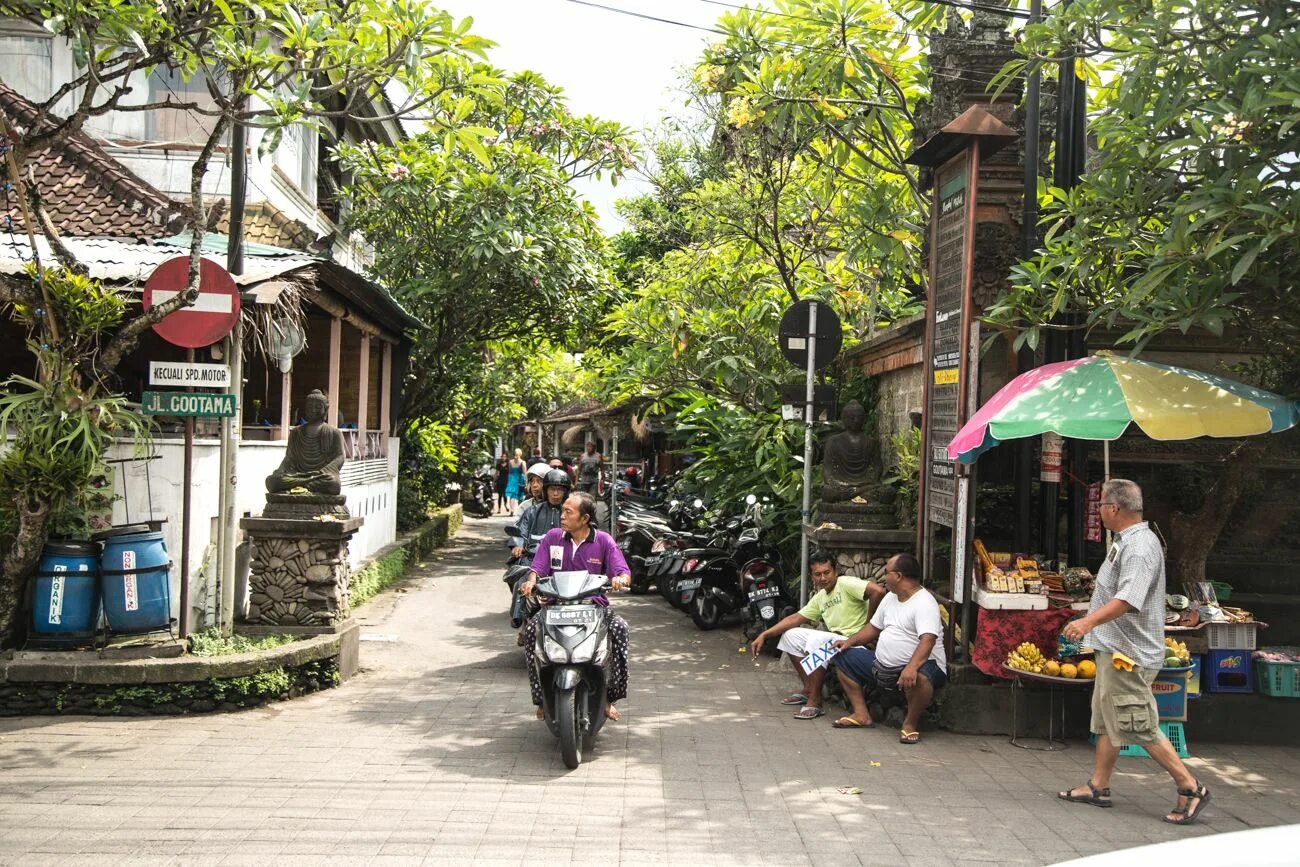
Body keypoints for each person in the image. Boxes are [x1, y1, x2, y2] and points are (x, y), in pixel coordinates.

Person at [1059, 479, 1210, 825]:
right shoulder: (1126, 541)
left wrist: (1086, 623)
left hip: (1129, 653)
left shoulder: (1140, 547)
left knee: (1137, 723)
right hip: (1114, 648)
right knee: (1108, 719)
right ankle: (1099, 786)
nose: (1099, 512)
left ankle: (1190, 786)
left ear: (1113, 509)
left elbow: (1128, 600)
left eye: (1101, 507)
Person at [520, 492, 632, 721]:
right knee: (531, 633)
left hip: (593, 607)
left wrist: (621, 579)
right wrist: (530, 583)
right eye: (562, 511)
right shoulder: (552, 538)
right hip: (555, 607)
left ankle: (609, 697)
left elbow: (623, 571)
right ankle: (541, 699)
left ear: (584, 518)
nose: (562, 516)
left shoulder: (603, 540)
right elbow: (537, 569)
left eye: (568, 512)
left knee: (620, 628)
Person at [748, 552, 883, 720]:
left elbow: (877, 591)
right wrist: (765, 634)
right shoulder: (821, 597)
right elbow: (795, 618)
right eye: (818, 574)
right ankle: (808, 689)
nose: (823, 578)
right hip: (835, 640)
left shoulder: (846, 583)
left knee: (817, 640)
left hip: (853, 642)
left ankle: (815, 701)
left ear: (836, 571)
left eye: (827, 572)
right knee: (790, 636)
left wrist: (868, 626)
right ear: (812, 576)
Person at [830, 553, 947, 742]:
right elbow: (872, 628)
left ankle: (910, 723)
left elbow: (928, 640)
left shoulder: (925, 602)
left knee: (921, 677)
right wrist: (849, 642)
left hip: (924, 665)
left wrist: (911, 667)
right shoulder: (891, 597)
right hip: (882, 665)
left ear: (899, 576)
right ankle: (861, 714)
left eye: (887, 573)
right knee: (842, 656)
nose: (885, 577)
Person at [266, 390, 344, 495]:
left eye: (318, 407)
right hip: (297, 475)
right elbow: (289, 458)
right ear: (305, 409)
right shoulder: (296, 432)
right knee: (272, 481)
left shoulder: (334, 432)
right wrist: (281, 469)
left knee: (333, 483)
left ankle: (301, 485)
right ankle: (304, 484)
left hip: (320, 476)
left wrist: (324, 471)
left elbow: (340, 457)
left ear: (326, 409)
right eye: (310, 406)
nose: (313, 410)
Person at [503, 449, 526, 516]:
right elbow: (524, 473)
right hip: (519, 479)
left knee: (512, 496)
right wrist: (526, 481)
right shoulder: (522, 462)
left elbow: (509, 472)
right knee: (520, 495)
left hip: (512, 479)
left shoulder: (510, 462)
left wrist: (508, 479)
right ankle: (520, 510)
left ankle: (512, 510)